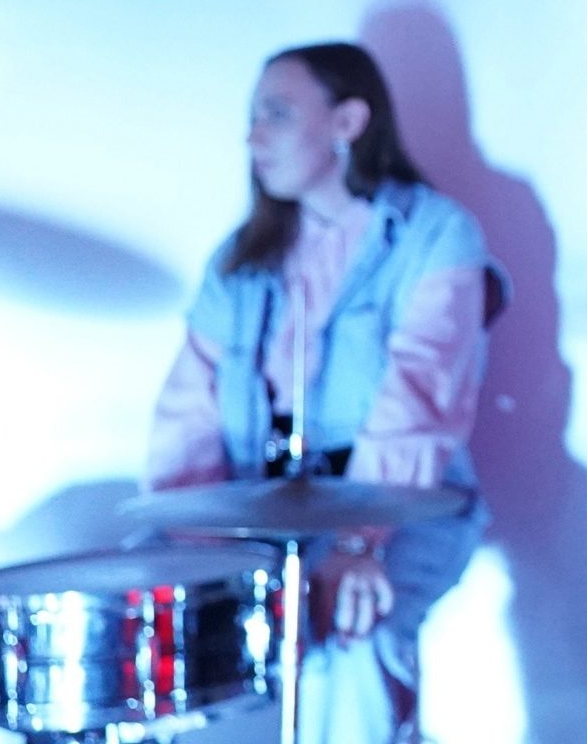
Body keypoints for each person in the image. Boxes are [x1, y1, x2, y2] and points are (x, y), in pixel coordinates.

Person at [148, 42, 494, 743]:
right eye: (252, 117)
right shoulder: (239, 259)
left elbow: (417, 399)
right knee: (164, 621)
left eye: (275, 114)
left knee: (357, 635)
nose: (253, 137)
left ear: (348, 122)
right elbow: (188, 412)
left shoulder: (437, 235)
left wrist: (361, 540)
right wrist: (199, 554)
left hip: (401, 505)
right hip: (256, 506)